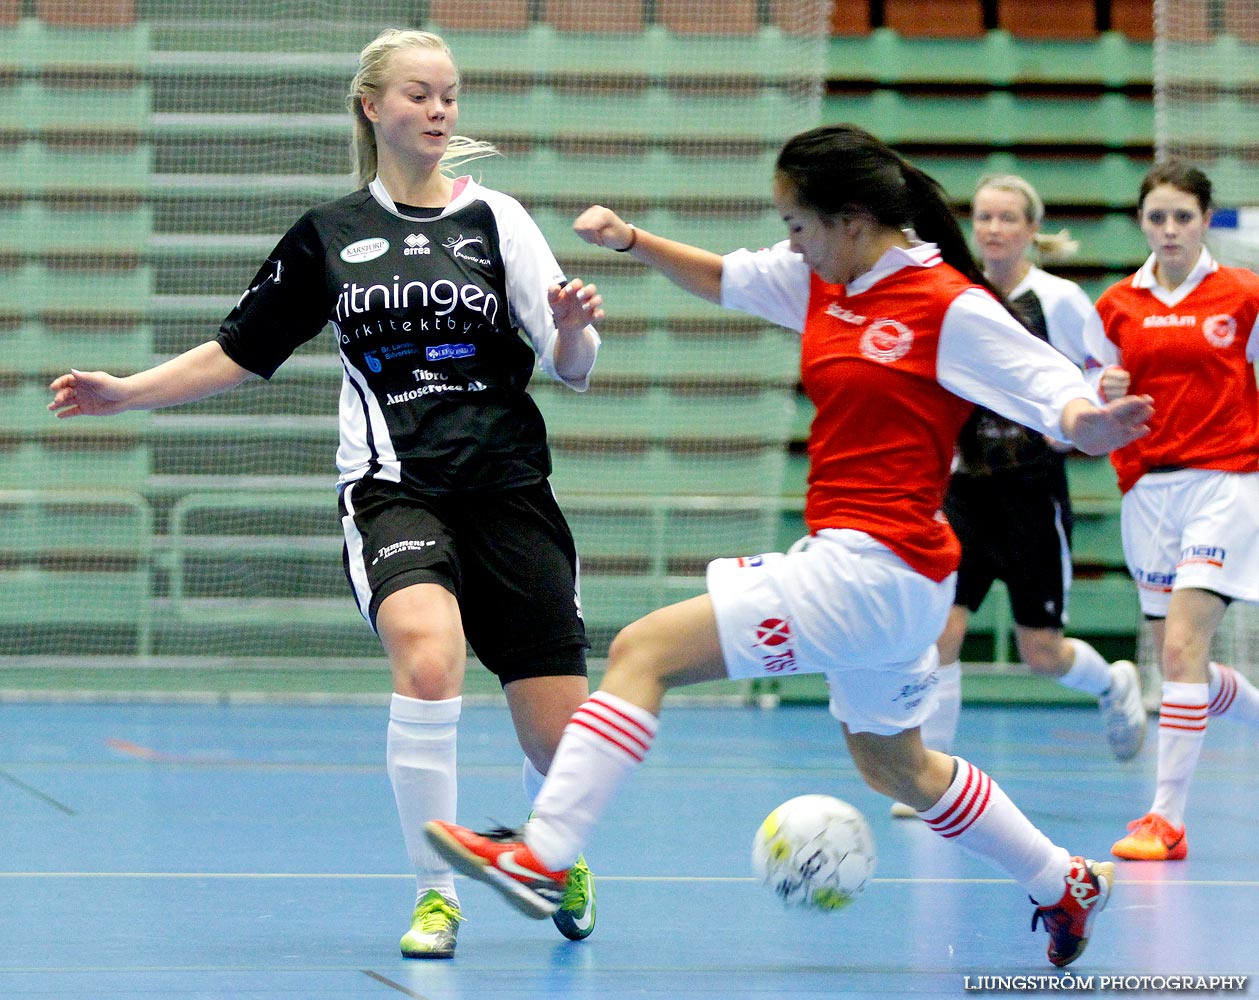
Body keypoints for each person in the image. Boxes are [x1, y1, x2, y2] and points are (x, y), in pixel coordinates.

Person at [423, 124, 1155, 968]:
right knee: (894, 764)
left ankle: (543, 856)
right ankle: (1061, 881)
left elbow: (1045, 383)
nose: (789, 243)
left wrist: (1089, 421)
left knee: (642, 651)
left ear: (849, 220)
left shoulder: (943, 304)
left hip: (876, 570)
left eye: (797, 224)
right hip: (884, 577)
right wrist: (631, 240)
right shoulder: (816, 279)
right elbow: (725, 277)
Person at [47, 28, 603, 958]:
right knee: (428, 657)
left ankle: (554, 852)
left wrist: (576, 328)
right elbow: (240, 350)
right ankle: (437, 900)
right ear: (372, 106)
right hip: (394, 490)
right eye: (420, 95)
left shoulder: (497, 219)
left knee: (559, 741)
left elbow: (572, 365)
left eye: (450, 96)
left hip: (510, 492)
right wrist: (127, 393)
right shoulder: (329, 235)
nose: (438, 111)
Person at [890, 175, 1147, 819]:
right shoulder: (957, 294)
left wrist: (1096, 396)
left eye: (1008, 218)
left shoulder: (1056, 300)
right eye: (984, 218)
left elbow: (1091, 371)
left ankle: (1113, 680)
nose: (994, 229)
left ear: (1033, 229)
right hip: (964, 489)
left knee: (1042, 653)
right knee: (942, 630)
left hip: (1032, 490)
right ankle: (932, 777)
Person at [1084, 160, 1259, 862]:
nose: (1168, 229)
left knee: (1183, 647)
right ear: (1141, 223)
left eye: (1181, 216)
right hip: (1147, 491)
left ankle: (1165, 820)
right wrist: (1103, 386)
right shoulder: (1115, 305)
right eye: (1155, 217)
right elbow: (1090, 394)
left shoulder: (1243, 295)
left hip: (1226, 483)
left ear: (1203, 220)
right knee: (1176, 659)